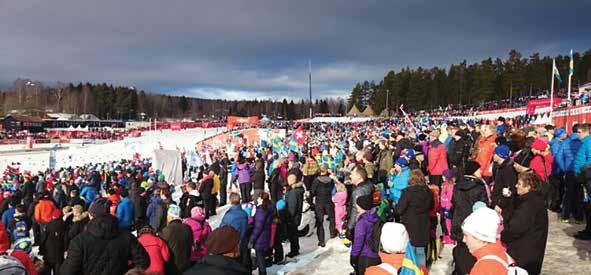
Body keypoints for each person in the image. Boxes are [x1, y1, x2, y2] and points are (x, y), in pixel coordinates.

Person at [60, 198, 150, 275]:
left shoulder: (79, 241)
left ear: (91, 216)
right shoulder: (127, 236)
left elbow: (67, 272)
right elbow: (144, 261)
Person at [500, 171, 549, 275]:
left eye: (519, 184)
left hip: (524, 254)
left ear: (528, 187)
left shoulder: (529, 205)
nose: (516, 186)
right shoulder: (532, 200)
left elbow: (515, 229)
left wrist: (502, 236)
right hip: (531, 251)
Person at [451, 161, 489, 275]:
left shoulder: (458, 185)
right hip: (473, 224)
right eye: (478, 169)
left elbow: (454, 202)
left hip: (458, 221)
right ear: (473, 171)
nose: (481, 171)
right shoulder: (478, 186)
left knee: (461, 249)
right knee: (472, 252)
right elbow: (484, 206)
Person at [394, 169, 433, 267]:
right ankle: (421, 271)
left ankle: (411, 271)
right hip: (424, 223)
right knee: (420, 251)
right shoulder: (428, 191)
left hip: (410, 224)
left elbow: (399, 210)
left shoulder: (408, 192)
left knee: (410, 252)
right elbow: (431, 206)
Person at [462, 206, 513, 275]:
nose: (463, 240)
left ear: (479, 237)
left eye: (466, 235)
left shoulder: (484, 267)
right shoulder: (500, 253)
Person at [183, 225, 249, 275]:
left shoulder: (192, 270)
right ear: (232, 248)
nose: (239, 246)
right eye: (237, 243)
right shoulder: (237, 271)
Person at [219, 192, 250, 271]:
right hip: (243, 241)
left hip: (232, 244)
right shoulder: (244, 213)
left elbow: (222, 228)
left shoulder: (229, 215)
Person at [350, 195, 380, 275]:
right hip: (376, 254)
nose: (356, 208)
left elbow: (358, 241)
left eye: (357, 206)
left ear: (362, 206)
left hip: (364, 256)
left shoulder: (362, 222)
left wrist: (353, 256)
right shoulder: (375, 216)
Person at [160, 204, 194, 274]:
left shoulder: (166, 231)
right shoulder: (187, 228)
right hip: (186, 264)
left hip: (172, 267)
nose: (167, 217)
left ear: (172, 217)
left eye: (168, 216)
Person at [310, 165, 337, 247]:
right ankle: (333, 234)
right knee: (332, 218)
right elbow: (333, 189)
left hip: (319, 202)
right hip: (329, 201)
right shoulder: (331, 180)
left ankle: (321, 240)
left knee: (320, 221)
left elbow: (312, 191)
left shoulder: (316, 181)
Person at [250, 192, 275, 275]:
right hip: (267, 234)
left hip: (260, 238)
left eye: (258, 198)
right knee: (263, 256)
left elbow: (258, 227)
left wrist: (252, 240)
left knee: (260, 259)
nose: (257, 200)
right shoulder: (270, 207)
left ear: (261, 199)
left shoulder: (262, 210)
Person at [347, 165, 375, 239]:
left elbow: (355, 210)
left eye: (352, 174)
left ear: (359, 176)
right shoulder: (369, 184)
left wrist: (350, 228)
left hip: (360, 224)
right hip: (369, 221)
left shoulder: (358, 191)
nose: (350, 176)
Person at [40, 209, 67, 274]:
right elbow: (66, 239)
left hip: (48, 250)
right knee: (57, 269)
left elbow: (44, 238)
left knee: (47, 268)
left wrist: (41, 248)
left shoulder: (49, 225)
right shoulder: (65, 225)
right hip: (59, 250)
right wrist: (65, 249)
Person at [285, 169, 305, 258]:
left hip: (292, 217)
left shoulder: (294, 192)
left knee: (292, 234)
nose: (289, 180)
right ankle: (295, 249)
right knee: (294, 234)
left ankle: (294, 250)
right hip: (296, 216)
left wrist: (288, 217)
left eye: (291, 178)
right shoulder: (297, 189)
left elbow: (292, 207)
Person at [440, 169, 455, 245]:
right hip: (443, 207)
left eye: (443, 176)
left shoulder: (450, 186)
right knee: (444, 224)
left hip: (447, 208)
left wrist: (448, 208)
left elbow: (450, 198)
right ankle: (445, 237)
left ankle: (450, 239)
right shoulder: (444, 185)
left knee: (448, 224)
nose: (442, 177)